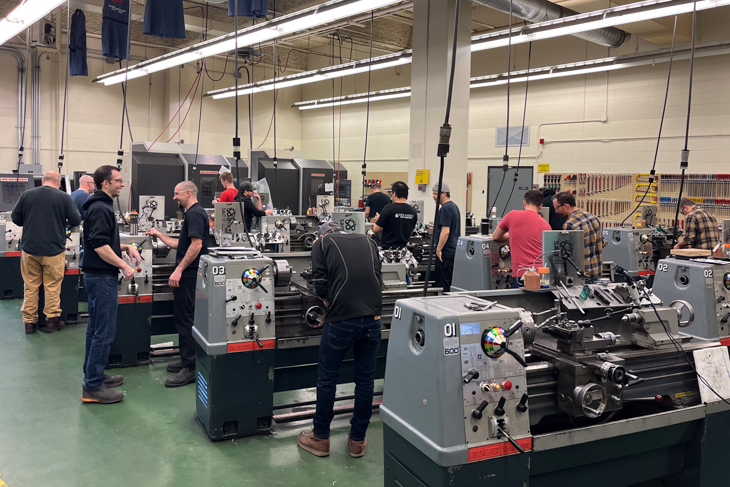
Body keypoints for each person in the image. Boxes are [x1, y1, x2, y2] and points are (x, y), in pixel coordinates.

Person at [298, 222, 382, 459]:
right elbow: (377, 274)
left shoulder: (321, 243)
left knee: (327, 380)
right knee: (365, 381)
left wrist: (327, 303)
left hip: (341, 321)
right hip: (373, 317)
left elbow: (321, 285)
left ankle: (321, 437)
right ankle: (358, 440)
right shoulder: (368, 240)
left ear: (322, 234)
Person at [80, 165, 141, 404]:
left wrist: (125, 247)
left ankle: (94, 375)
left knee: (95, 329)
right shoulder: (99, 208)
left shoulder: (101, 206)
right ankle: (92, 388)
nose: (122, 184)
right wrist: (124, 265)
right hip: (101, 277)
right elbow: (98, 245)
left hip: (98, 275)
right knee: (103, 332)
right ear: (105, 183)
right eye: (118, 181)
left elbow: (105, 240)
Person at [145, 181, 209, 387]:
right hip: (190, 274)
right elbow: (181, 244)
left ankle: (190, 368)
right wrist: (159, 235)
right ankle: (186, 359)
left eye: (176, 194)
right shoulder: (193, 214)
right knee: (184, 318)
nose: (174, 198)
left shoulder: (194, 214)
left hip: (190, 275)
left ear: (188, 193)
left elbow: (196, 245)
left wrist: (179, 270)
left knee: (185, 319)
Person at [11, 171, 82, 335]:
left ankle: (29, 323)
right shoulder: (63, 197)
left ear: (42, 181)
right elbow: (76, 220)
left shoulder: (27, 195)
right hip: (53, 249)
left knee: (30, 286)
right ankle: (52, 321)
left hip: (29, 249)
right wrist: (62, 224)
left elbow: (16, 218)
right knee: (52, 286)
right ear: (58, 182)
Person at [493, 190, 551, 288]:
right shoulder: (546, 226)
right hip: (542, 275)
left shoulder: (512, 215)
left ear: (524, 203)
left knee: (520, 303)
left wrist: (509, 234)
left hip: (523, 275)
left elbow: (495, 236)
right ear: (540, 206)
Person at [553, 192, 603, 282]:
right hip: (596, 272)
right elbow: (601, 243)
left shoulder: (570, 224)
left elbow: (567, 254)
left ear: (566, 206)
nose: (556, 211)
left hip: (580, 275)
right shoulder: (594, 217)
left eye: (557, 207)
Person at [432, 183, 461, 292]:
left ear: (444, 194)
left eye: (435, 193)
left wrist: (438, 249)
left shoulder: (445, 209)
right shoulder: (454, 207)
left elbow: (446, 231)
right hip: (453, 251)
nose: (433, 196)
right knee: (449, 284)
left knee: (442, 286)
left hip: (446, 252)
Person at [374, 181, 417, 249]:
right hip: (403, 250)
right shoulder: (412, 211)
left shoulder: (388, 208)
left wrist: (379, 219)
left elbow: (376, 229)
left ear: (394, 193)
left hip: (388, 250)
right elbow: (411, 232)